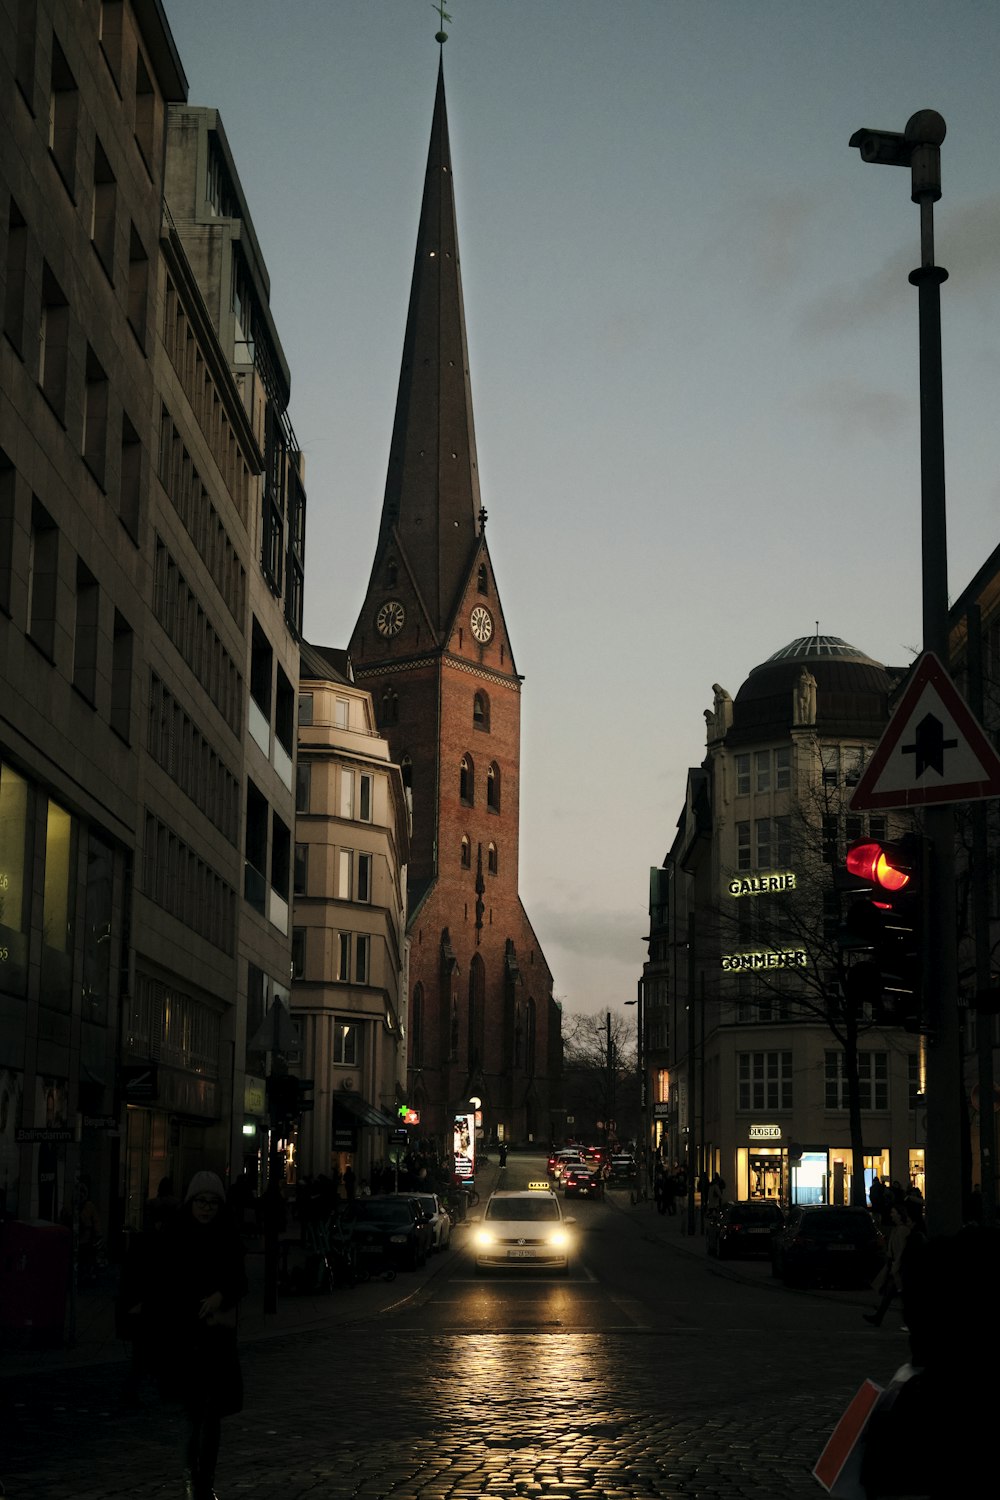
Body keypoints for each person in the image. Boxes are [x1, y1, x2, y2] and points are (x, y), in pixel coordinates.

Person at [144, 1171, 247, 1500]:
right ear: (190, 1202)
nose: (207, 1209)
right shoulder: (175, 1236)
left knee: (212, 1415)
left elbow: (240, 1280)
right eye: (201, 1202)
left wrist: (221, 1295)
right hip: (184, 1338)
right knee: (191, 1414)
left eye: (213, 1203)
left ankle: (206, 1481)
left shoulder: (228, 1237)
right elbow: (162, 1285)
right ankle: (193, 1484)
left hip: (216, 1339)